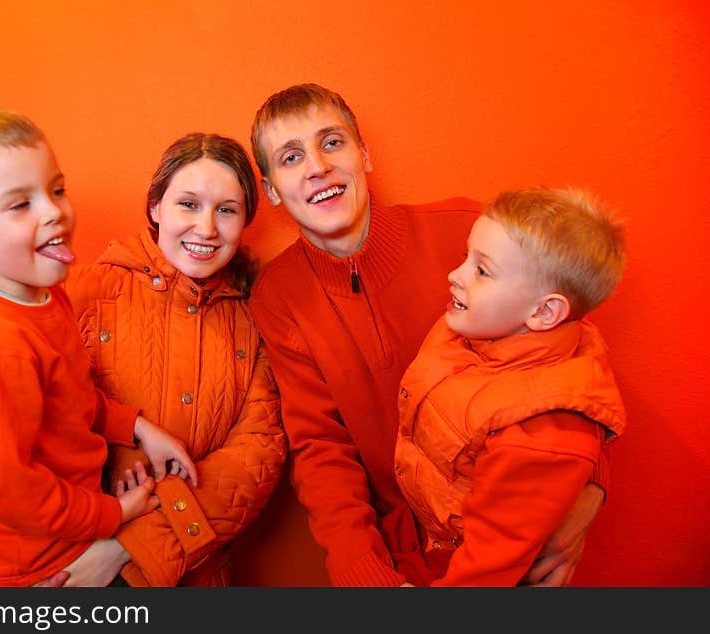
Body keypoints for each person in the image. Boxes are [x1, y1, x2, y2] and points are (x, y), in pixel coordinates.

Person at [247, 82, 610, 586]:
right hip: (403, 551)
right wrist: (364, 574)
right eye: (290, 157)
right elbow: (321, 448)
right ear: (270, 191)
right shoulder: (278, 296)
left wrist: (587, 492)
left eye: (332, 143)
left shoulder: (467, 232)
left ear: (364, 153)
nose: (317, 166)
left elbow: (568, 358)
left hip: (509, 541)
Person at [0, 102, 197, 587]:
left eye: (56, 190)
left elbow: (68, 399)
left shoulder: (42, 292)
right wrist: (113, 514)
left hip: (69, 516)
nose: (55, 212)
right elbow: (12, 494)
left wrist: (137, 426)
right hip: (39, 566)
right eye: (21, 204)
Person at [62, 132, 287, 586]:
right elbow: (18, 413)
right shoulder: (84, 293)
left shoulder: (257, 316)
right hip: (64, 568)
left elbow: (257, 455)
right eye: (188, 204)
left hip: (190, 574)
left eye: (226, 210)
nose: (206, 229)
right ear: (155, 208)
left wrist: (129, 548)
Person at [395, 187, 626, 586]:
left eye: (482, 270)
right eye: (464, 259)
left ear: (543, 312)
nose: (455, 275)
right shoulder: (476, 325)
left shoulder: (539, 432)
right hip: (419, 541)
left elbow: (488, 569)